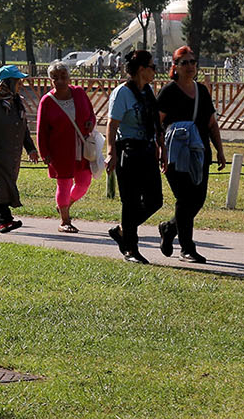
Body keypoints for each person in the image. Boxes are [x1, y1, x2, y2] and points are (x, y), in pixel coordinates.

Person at [155, 45, 228, 264]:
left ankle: (169, 228)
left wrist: (220, 151)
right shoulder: (168, 91)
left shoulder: (202, 91)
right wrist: (161, 150)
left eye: (193, 62)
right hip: (175, 154)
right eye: (184, 62)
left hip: (199, 153)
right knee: (185, 198)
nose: (190, 66)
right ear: (175, 66)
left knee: (198, 199)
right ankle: (187, 248)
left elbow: (211, 124)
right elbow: (156, 123)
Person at [105, 49, 162, 264]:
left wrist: (161, 148)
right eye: (152, 67)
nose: (155, 70)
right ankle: (130, 248)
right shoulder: (122, 92)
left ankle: (122, 231)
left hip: (147, 150)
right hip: (128, 151)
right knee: (130, 201)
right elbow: (112, 124)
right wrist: (111, 151)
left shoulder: (148, 91)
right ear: (141, 69)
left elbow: (156, 123)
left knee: (155, 200)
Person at [0, 64, 40, 232]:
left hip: (11, 154)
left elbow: (23, 128)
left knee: (3, 187)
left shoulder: (17, 102)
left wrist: (31, 149)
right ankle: (6, 220)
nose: (21, 85)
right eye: (18, 82)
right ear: (7, 82)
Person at [36, 61, 96, 233]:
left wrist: (91, 122)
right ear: (50, 80)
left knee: (84, 182)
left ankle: (65, 205)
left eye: (63, 76)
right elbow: (41, 130)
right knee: (64, 183)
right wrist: (44, 152)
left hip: (82, 147)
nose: (60, 81)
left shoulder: (79, 93)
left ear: (69, 77)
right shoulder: (47, 101)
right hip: (59, 150)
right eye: (55, 78)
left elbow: (91, 113)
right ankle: (65, 220)